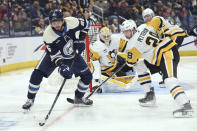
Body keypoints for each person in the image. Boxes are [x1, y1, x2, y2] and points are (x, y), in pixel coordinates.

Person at [22, 9, 93, 111]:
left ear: (63, 20)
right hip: (52, 56)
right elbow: (54, 55)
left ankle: (79, 97)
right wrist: (62, 67)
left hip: (70, 53)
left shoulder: (72, 22)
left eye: (58, 21)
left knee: (87, 76)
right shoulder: (48, 34)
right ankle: (30, 99)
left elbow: (87, 24)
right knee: (37, 73)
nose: (57, 25)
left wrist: (81, 38)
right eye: (53, 22)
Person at [124, 20, 193, 117]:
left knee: (169, 81)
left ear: (133, 29)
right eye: (124, 32)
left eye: (128, 31)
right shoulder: (144, 26)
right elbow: (158, 20)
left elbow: (130, 63)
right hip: (160, 55)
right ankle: (149, 95)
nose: (126, 34)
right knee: (140, 65)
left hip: (166, 54)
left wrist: (126, 62)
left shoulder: (131, 46)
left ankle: (186, 105)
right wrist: (164, 32)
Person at [89, 27, 136, 93]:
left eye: (108, 36)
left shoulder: (116, 39)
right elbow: (94, 64)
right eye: (104, 36)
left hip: (115, 63)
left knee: (128, 61)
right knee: (120, 82)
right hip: (105, 70)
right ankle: (98, 82)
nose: (106, 38)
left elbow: (127, 47)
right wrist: (97, 78)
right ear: (100, 35)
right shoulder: (95, 46)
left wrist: (134, 53)